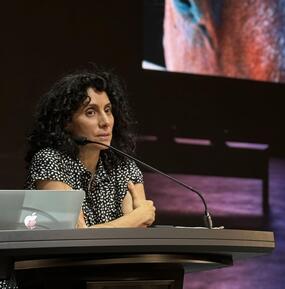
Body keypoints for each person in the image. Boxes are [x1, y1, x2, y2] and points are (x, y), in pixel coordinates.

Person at [1, 67, 156, 289]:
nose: (105, 122)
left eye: (108, 110)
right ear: (67, 123)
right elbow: (74, 239)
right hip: (45, 280)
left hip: (101, 279)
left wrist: (131, 223)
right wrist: (136, 218)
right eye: (91, 112)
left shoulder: (124, 167)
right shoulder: (50, 161)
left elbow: (134, 239)